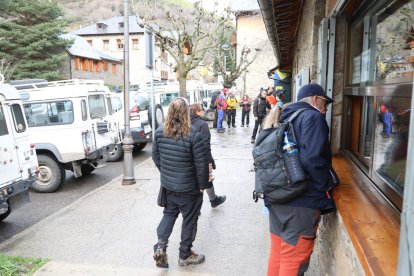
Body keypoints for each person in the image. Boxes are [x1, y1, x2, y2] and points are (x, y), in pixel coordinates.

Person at [265, 83, 339, 276]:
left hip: (276, 195)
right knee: (294, 257)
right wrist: (324, 189)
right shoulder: (313, 117)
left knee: (278, 252)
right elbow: (313, 160)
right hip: (301, 201)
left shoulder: (282, 115)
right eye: (325, 104)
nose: (325, 109)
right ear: (316, 100)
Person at [152, 98, 209, 268]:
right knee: (189, 219)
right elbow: (201, 165)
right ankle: (185, 254)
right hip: (189, 188)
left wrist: (167, 172)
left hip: (169, 185)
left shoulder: (160, 132)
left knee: (169, 214)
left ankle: (161, 246)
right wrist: (202, 185)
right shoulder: (193, 135)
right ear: (187, 113)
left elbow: (156, 157)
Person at [190, 103, 226, 208]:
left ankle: (199, 205)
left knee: (194, 181)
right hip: (201, 157)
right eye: (202, 109)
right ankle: (213, 200)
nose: (203, 111)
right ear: (196, 111)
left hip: (188, 157)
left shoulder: (185, 122)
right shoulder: (202, 124)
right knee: (206, 179)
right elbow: (205, 145)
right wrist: (210, 160)